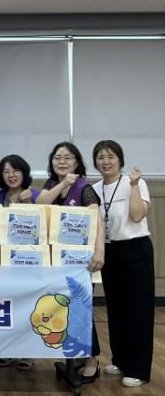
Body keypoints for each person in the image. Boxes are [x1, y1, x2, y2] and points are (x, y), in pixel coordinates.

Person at [36, 141, 105, 383]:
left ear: (77, 163)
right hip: (56, 261)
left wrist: (100, 251)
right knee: (64, 307)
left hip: (81, 262)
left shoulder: (85, 188)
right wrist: (63, 183)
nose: (62, 161)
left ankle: (92, 360)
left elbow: (97, 222)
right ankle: (77, 356)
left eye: (67, 157)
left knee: (80, 308)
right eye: (57, 157)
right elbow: (40, 204)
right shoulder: (52, 185)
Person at [92, 140, 153, 388]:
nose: (106, 161)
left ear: (120, 160)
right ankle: (120, 359)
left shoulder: (134, 182)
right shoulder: (95, 189)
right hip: (110, 251)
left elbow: (137, 216)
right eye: (101, 157)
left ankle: (139, 369)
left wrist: (135, 185)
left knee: (139, 310)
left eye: (111, 156)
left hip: (135, 249)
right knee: (117, 309)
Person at [0, 153, 37, 371]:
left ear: (24, 172)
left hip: (27, 259)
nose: (11, 175)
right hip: (2, 259)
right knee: (6, 307)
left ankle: (27, 352)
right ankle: (7, 350)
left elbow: (38, 227)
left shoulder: (34, 194)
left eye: (16, 170)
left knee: (27, 306)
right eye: (6, 171)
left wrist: (28, 203)